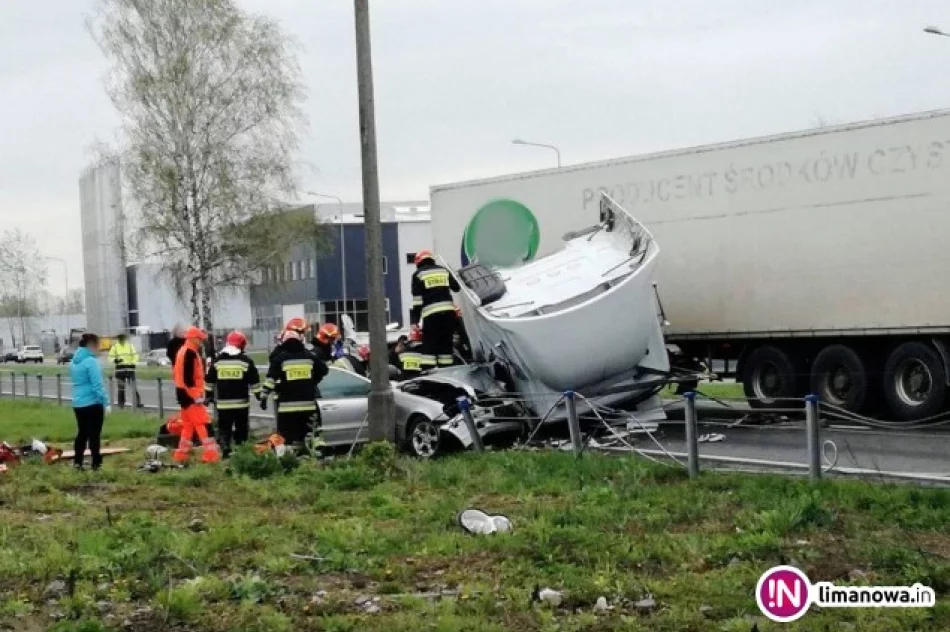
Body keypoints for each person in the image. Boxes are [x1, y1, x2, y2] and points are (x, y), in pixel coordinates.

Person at [260, 329, 329, 447]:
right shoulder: (309, 357)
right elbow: (324, 370)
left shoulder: (280, 359)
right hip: (308, 407)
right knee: (311, 435)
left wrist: (264, 397)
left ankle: (290, 460)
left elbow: (270, 380)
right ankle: (314, 459)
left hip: (287, 409)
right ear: (300, 341)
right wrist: (313, 380)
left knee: (287, 439)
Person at [204, 330, 260, 458]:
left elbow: (209, 380)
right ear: (242, 344)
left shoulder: (218, 361)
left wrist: (208, 396)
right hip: (241, 405)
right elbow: (255, 382)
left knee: (224, 429)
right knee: (241, 429)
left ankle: (225, 449)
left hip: (223, 405)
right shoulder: (246, 361)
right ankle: (241, 452)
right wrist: (260, 397)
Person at [172, 326, 221, 464]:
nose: (201, 342)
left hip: (183, 393)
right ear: (193, 339)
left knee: (188, 425)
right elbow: (189, 379)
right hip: (191, 394)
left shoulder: (183, 351)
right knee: (203, 423)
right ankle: (211, 454)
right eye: (199, 339)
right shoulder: (190, 353)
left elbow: (179, 375)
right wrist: (196, 396)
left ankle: (181, 454)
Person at [410, 250, 461, 368]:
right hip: (449, 315)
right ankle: (447, 372)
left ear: (418, 261)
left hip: (432, 316)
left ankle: (430, 373)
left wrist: (414, 320)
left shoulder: (418, 274)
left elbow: (417, 301)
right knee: (446, 346)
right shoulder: (443, 270)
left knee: (429, 346)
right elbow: (457, 287)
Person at [69, 333, 110, 471]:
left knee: (82, 433)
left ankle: (77, 462)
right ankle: (96, 463)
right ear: (91, 345)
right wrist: (105, 402)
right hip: (93, 403)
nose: (98, 349)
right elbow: (97, 385)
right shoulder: (91, 362)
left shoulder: (74, 361)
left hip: (78, 403)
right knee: (94, 435)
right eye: (97, 345)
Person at [108, 333, 143, 408]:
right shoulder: (115, 347)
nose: (121, 339)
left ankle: (137, 403)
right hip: (120, 369)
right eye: (120, 338)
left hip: (130, 368)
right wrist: (115, 360)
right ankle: (121, 404)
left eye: (122, 338)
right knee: (121, 388)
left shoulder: (130, 346)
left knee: (133, 387)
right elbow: (110, 357)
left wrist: (133, 362)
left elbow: (135, 355)